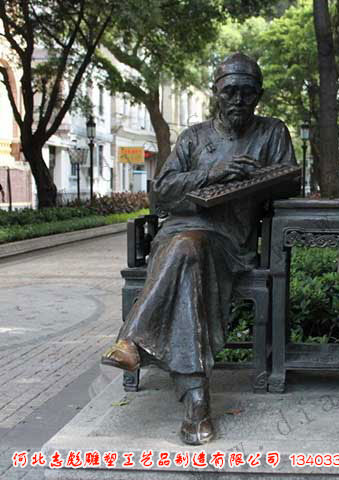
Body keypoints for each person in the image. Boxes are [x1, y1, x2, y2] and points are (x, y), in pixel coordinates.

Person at [101, 53, 296, 445]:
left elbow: (289, 183)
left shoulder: (273, 133)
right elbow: (162, 192)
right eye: (230, 91)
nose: (238, 100)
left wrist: (255, 179)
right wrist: (212, 174)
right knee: (187, 249)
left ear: (259, 95)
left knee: (190, 250)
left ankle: (134, 342)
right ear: (216, 93)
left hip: (230, 240)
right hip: (180, 231)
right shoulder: (193, 137)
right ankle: (195, 403)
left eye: (247, 92)